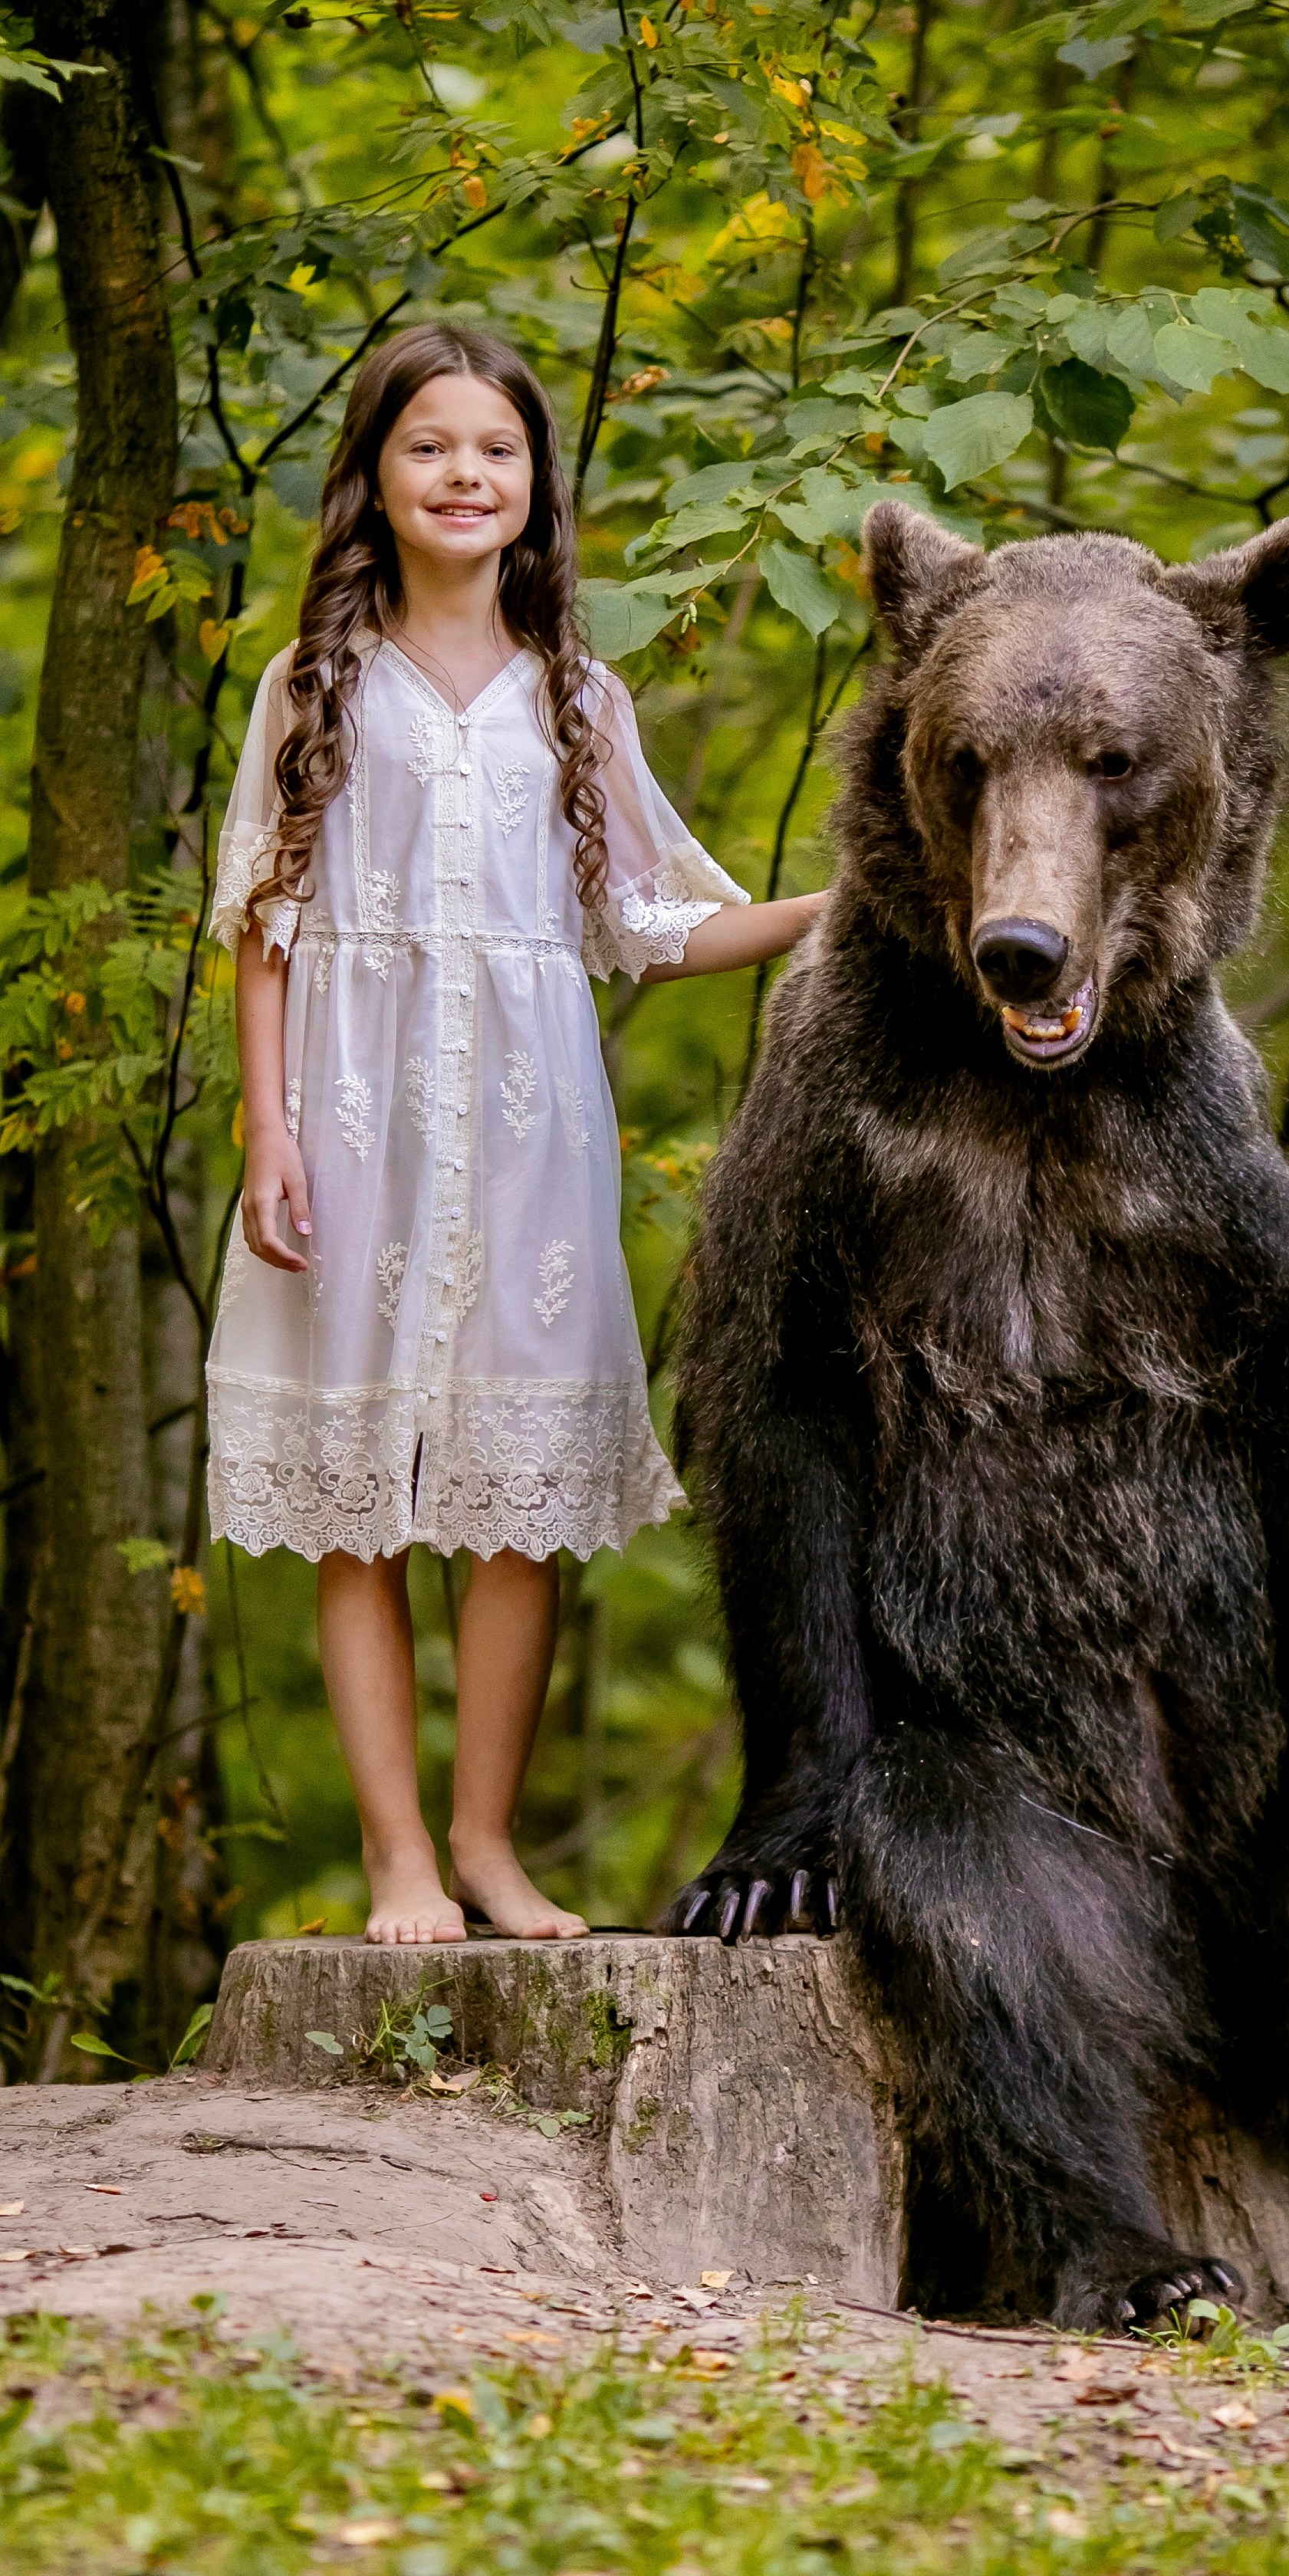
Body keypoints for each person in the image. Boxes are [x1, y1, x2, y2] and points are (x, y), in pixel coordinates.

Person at [206, 321, 822, 1947]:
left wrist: (840, 906)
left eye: (495, 449)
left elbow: (646, 918)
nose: (465, 474)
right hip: (351, 1123)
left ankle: (485, 1844)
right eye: (430, 447)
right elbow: (261, 923)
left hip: (533, 1134)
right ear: (375, 477)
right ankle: (396, 1858)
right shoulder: (312, 683)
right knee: (363, 1502)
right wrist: (270, 1134)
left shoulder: (578, 695)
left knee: (517, 1500)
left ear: (536, 483)